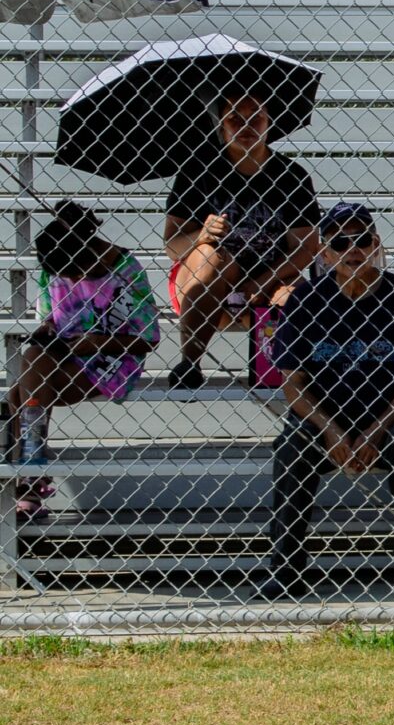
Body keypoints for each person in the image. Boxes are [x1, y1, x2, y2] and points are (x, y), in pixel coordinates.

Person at [261, 203, 394, 600]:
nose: (353, 249)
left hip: (387, 418)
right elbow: (293, 384)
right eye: (340, 242)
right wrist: (332, 432)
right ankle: (286, 571)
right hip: (324, 417)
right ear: (325, 253)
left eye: (362, 240)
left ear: (376, 245)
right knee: (291, 447)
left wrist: (372, 431)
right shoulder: (306, 299)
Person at [7, 202, 159, 519]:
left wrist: (98, 342)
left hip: (114, 357)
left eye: (75, 273)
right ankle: (31, 462)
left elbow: (149, 338)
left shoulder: (125, 268)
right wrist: (47, 329)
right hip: (64, 355)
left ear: (88, 254)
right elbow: (48, 317)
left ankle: (30, 467)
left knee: (17, 396)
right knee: (33, 358)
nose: (70, 279)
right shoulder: (54, 265)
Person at [163, 92, 320, 389]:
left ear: (269, 122)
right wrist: (201, 235)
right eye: (235, 117)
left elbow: (306, 247)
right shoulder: (198, 172)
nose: (246, 125)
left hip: (266, 284)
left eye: (255, 117)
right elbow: (172, 244)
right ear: (221, 124)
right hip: (207, 287)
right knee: (212, 257)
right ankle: (190, 363)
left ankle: (284, 377)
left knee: (293, 295)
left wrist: (263, 282)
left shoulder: (291, 176)